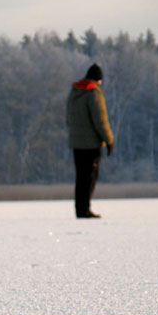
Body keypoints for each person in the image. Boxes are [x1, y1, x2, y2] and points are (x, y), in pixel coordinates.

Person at [66, 64, 114, 218]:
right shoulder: (93, 93)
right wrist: (109, 140)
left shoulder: (74, 92)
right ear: (98, 80)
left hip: (76, 143)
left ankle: (80, 209)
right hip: (91, 144)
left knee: (80, 177)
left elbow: (68, 118)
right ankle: (84, 210)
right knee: (90, 177)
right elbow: (100, 119)